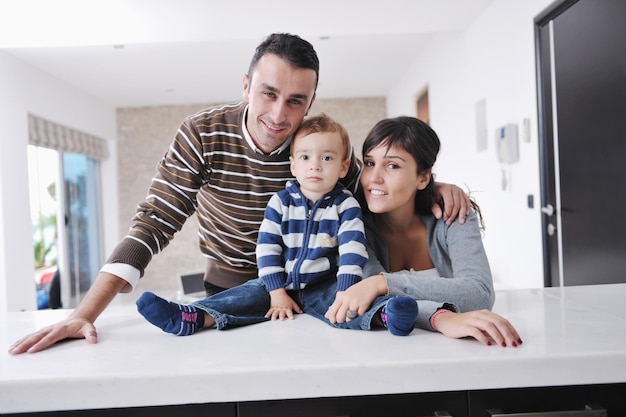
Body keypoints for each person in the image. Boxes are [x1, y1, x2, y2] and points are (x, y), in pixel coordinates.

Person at [9, 33, 468, 355]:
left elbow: (368, 192)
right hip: (232, 288)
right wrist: (86, 312)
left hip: (321, 292)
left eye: (295, 101)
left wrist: (430, 187)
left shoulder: (317, 146)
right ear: (246, 85)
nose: (278, 114)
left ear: (310, 103)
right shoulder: (202, 135)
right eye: (268, 93)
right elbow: (154, 222)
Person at [136, 113, 419, 336]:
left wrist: (345, 290)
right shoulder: (280, 202)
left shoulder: (345, 205)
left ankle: (386, 314)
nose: (315, 166)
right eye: (306, 157)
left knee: (347, 307)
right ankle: (192, 316)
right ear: (293, 165)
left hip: (326, 283)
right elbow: (267, 247)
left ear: (344, 167)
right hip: (280, 281)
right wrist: (276, 292)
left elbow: (352, 251)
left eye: (327, 158)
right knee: (245, 295)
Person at [325, 116, 522, 347]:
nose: (374, 178)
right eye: (369, 163)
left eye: (392, 165)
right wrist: (443, 318)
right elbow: (375, 302)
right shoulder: (353, 224)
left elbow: (479, 293)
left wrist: (383, 282)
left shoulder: (453, 213)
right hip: (385, 350)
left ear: (423, 177)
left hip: (460, 351)